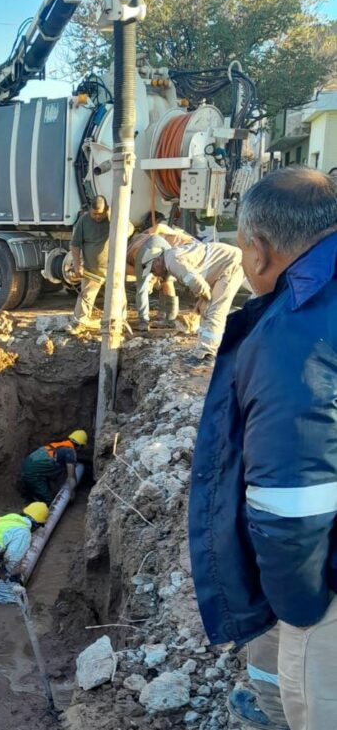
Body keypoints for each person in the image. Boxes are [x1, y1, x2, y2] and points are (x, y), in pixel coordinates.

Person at [189, 167, 337, 730]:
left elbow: (293, 508)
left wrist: (298, 614)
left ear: (257, 249)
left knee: (315, 705)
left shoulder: (292, 336)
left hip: (322, 593)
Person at [140, 236, 244, 361]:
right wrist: (202, 301)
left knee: (215, 310)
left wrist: (205, 297)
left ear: (157, 260)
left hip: (230, 264)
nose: (154, 274)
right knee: (206, 308)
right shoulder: (171, 258)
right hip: (224, 264)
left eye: (152, 269)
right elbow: (200, 282)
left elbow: (195, 282)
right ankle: (204, 350)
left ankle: (208, 354)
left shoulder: (173, 261)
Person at [127, 215, 196, 330]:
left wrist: (143, 321)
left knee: (152, 285)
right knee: (167, 281)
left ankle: (148, 321)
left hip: (157, 247)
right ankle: (169, 318)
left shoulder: (132, 250)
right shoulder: (135, 253)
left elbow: (141, 289)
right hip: (160, 245)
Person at [70, 196, 110, 328]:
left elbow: (129, 229)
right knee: (86, 295)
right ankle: (80, 323)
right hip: (92, 269)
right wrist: (77, 265)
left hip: (112, 269)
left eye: (101, 214)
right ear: (90, 210)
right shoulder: (84, 221)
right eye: (95, 214)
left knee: (118, 296)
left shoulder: (113, 219)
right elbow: (75, 245)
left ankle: (118, 321)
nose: (98, 217)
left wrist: (113, 217)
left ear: (106, 210)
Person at [20, 430, 87, 505]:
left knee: (59, 468)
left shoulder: (61, 445)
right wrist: (72, 492)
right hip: (32, 474)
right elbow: (71, 477)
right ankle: (35, 498)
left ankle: (33, 493)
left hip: (28, 464)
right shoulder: (70, 452)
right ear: (80, 446)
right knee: (49, 502)